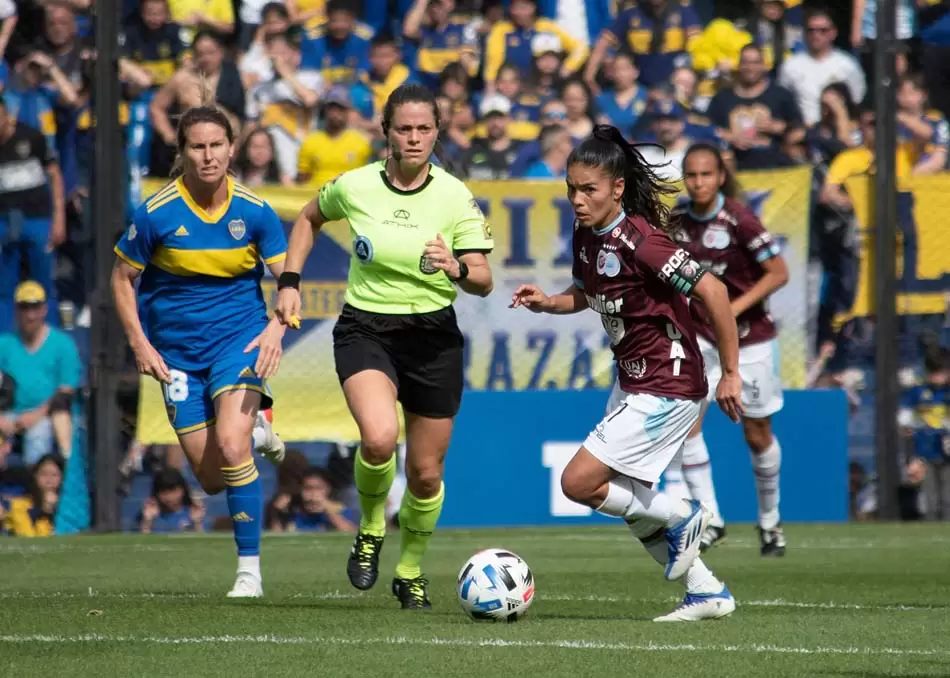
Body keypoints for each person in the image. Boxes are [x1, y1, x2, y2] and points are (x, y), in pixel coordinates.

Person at [510, 125, 742, 622]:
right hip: (633, 379)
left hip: (669, 384)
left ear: (616, 188)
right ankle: (706, 592)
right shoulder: (586, 233)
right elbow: (587, 293)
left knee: (579, 483)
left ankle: (684, 514)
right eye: (571, 188)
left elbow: (715, 294)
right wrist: (549, 302)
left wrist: (731, 374)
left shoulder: (645, 243)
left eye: (588, 189)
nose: (576, 198)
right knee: (629, 503)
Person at [275, 83, 494, 609]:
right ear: (386, 132)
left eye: (424, 129)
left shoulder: (454, 195)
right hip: (366, 328)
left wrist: (457, 266)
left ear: (437, 132)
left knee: (425, 473)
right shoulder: (355, 186)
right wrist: (288, 281)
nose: (414, 138)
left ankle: (411, 570)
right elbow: (307, 218)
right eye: (404, 128)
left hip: (433, 337)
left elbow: (484, 278)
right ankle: (370, 528)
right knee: (378, 438)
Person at [111, 98, 289, 598]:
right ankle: (256, 431)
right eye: (198, 147)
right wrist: (139, 343)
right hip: (177, 358)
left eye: (216, 145)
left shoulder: (255, 211)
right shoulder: (155, 214)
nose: (208, 155)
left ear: (232, 149)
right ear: (182, 151)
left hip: (239, 341)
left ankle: (248, 573)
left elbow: (288, 280)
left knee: (229, 448)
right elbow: (122, 279)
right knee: (212, 478)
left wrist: (277, 324)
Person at [664, 143, 790, 556]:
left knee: (757, 435)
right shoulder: (677, 221)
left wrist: (730, 309)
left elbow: (778, 272)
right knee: (686, 423)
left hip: (750, 339)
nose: (698, 182)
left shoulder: (740, 220)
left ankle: (770, 524)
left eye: (706, 175)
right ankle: (711, 519)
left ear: (720, 177)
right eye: (691, 175)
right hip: (699, 338)